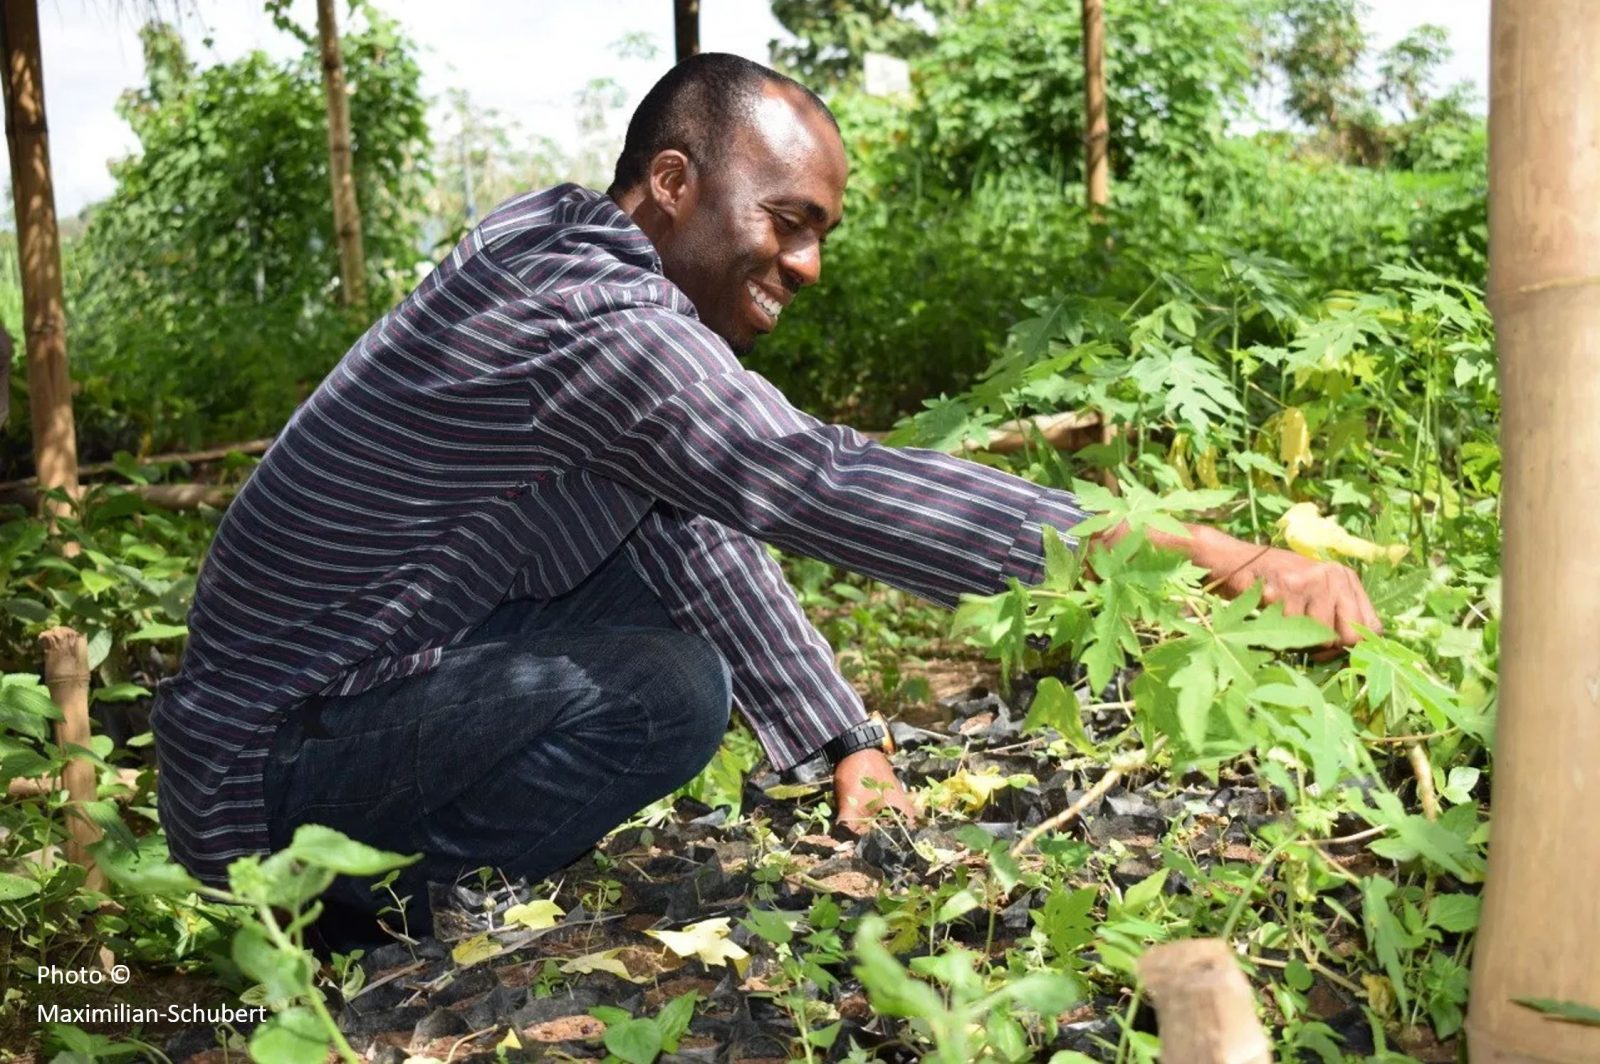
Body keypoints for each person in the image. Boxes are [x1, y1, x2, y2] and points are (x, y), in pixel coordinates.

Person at [151, 53, 1379, 955]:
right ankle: (374, 925)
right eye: (787, 222)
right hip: (265, 775)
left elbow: (697, 524)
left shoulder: (565, 259)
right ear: (673, 181)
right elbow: (804, 477)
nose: (805, 266)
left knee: (656, 585)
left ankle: (384, 891)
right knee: (669, 688)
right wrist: (1206, 551)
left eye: (820, 235)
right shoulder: (590, 319)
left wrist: (845, 740)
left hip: (318, 712)